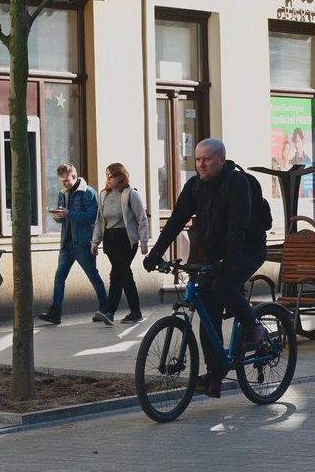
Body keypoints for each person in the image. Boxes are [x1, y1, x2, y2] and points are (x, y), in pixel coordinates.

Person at [143, 138, 268, 398]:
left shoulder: (237, 183)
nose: (201, 164)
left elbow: (238, 225)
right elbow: (176, 220)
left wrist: (229, 261)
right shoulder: (195, 187)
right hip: (217, 254)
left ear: (221, 160)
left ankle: (254, 325)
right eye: (197, 159)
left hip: (246, 249)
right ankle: (215, 372)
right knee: (207, 306)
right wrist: (156, 254)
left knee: (223, 286)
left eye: (207, 159)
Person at [39, 163, 110, 326]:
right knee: (59, 277)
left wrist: (69, 213)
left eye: (65, 181)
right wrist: (58, 217)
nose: (63, 184)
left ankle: (105, 309)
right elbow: (62, 218)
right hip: (67, 243)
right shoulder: (63, 193)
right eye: (61, 181)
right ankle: (55, 312)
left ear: (74, 176)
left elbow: (92, 217)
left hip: (83, 243)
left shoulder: (88, 192)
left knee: (93, 276)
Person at [90, 163, 149, 324]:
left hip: (126, 239)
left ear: (121, 177)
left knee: (116, 274)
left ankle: (109, 311)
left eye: (112, 176)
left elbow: (142, 219)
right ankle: (135, 311)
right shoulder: (103, 195)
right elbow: (100, 220)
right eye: (107, 175)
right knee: (124, 275)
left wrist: (144, 241)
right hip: (110, 239)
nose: (108, 179)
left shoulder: (130, 194)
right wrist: (95, 241)